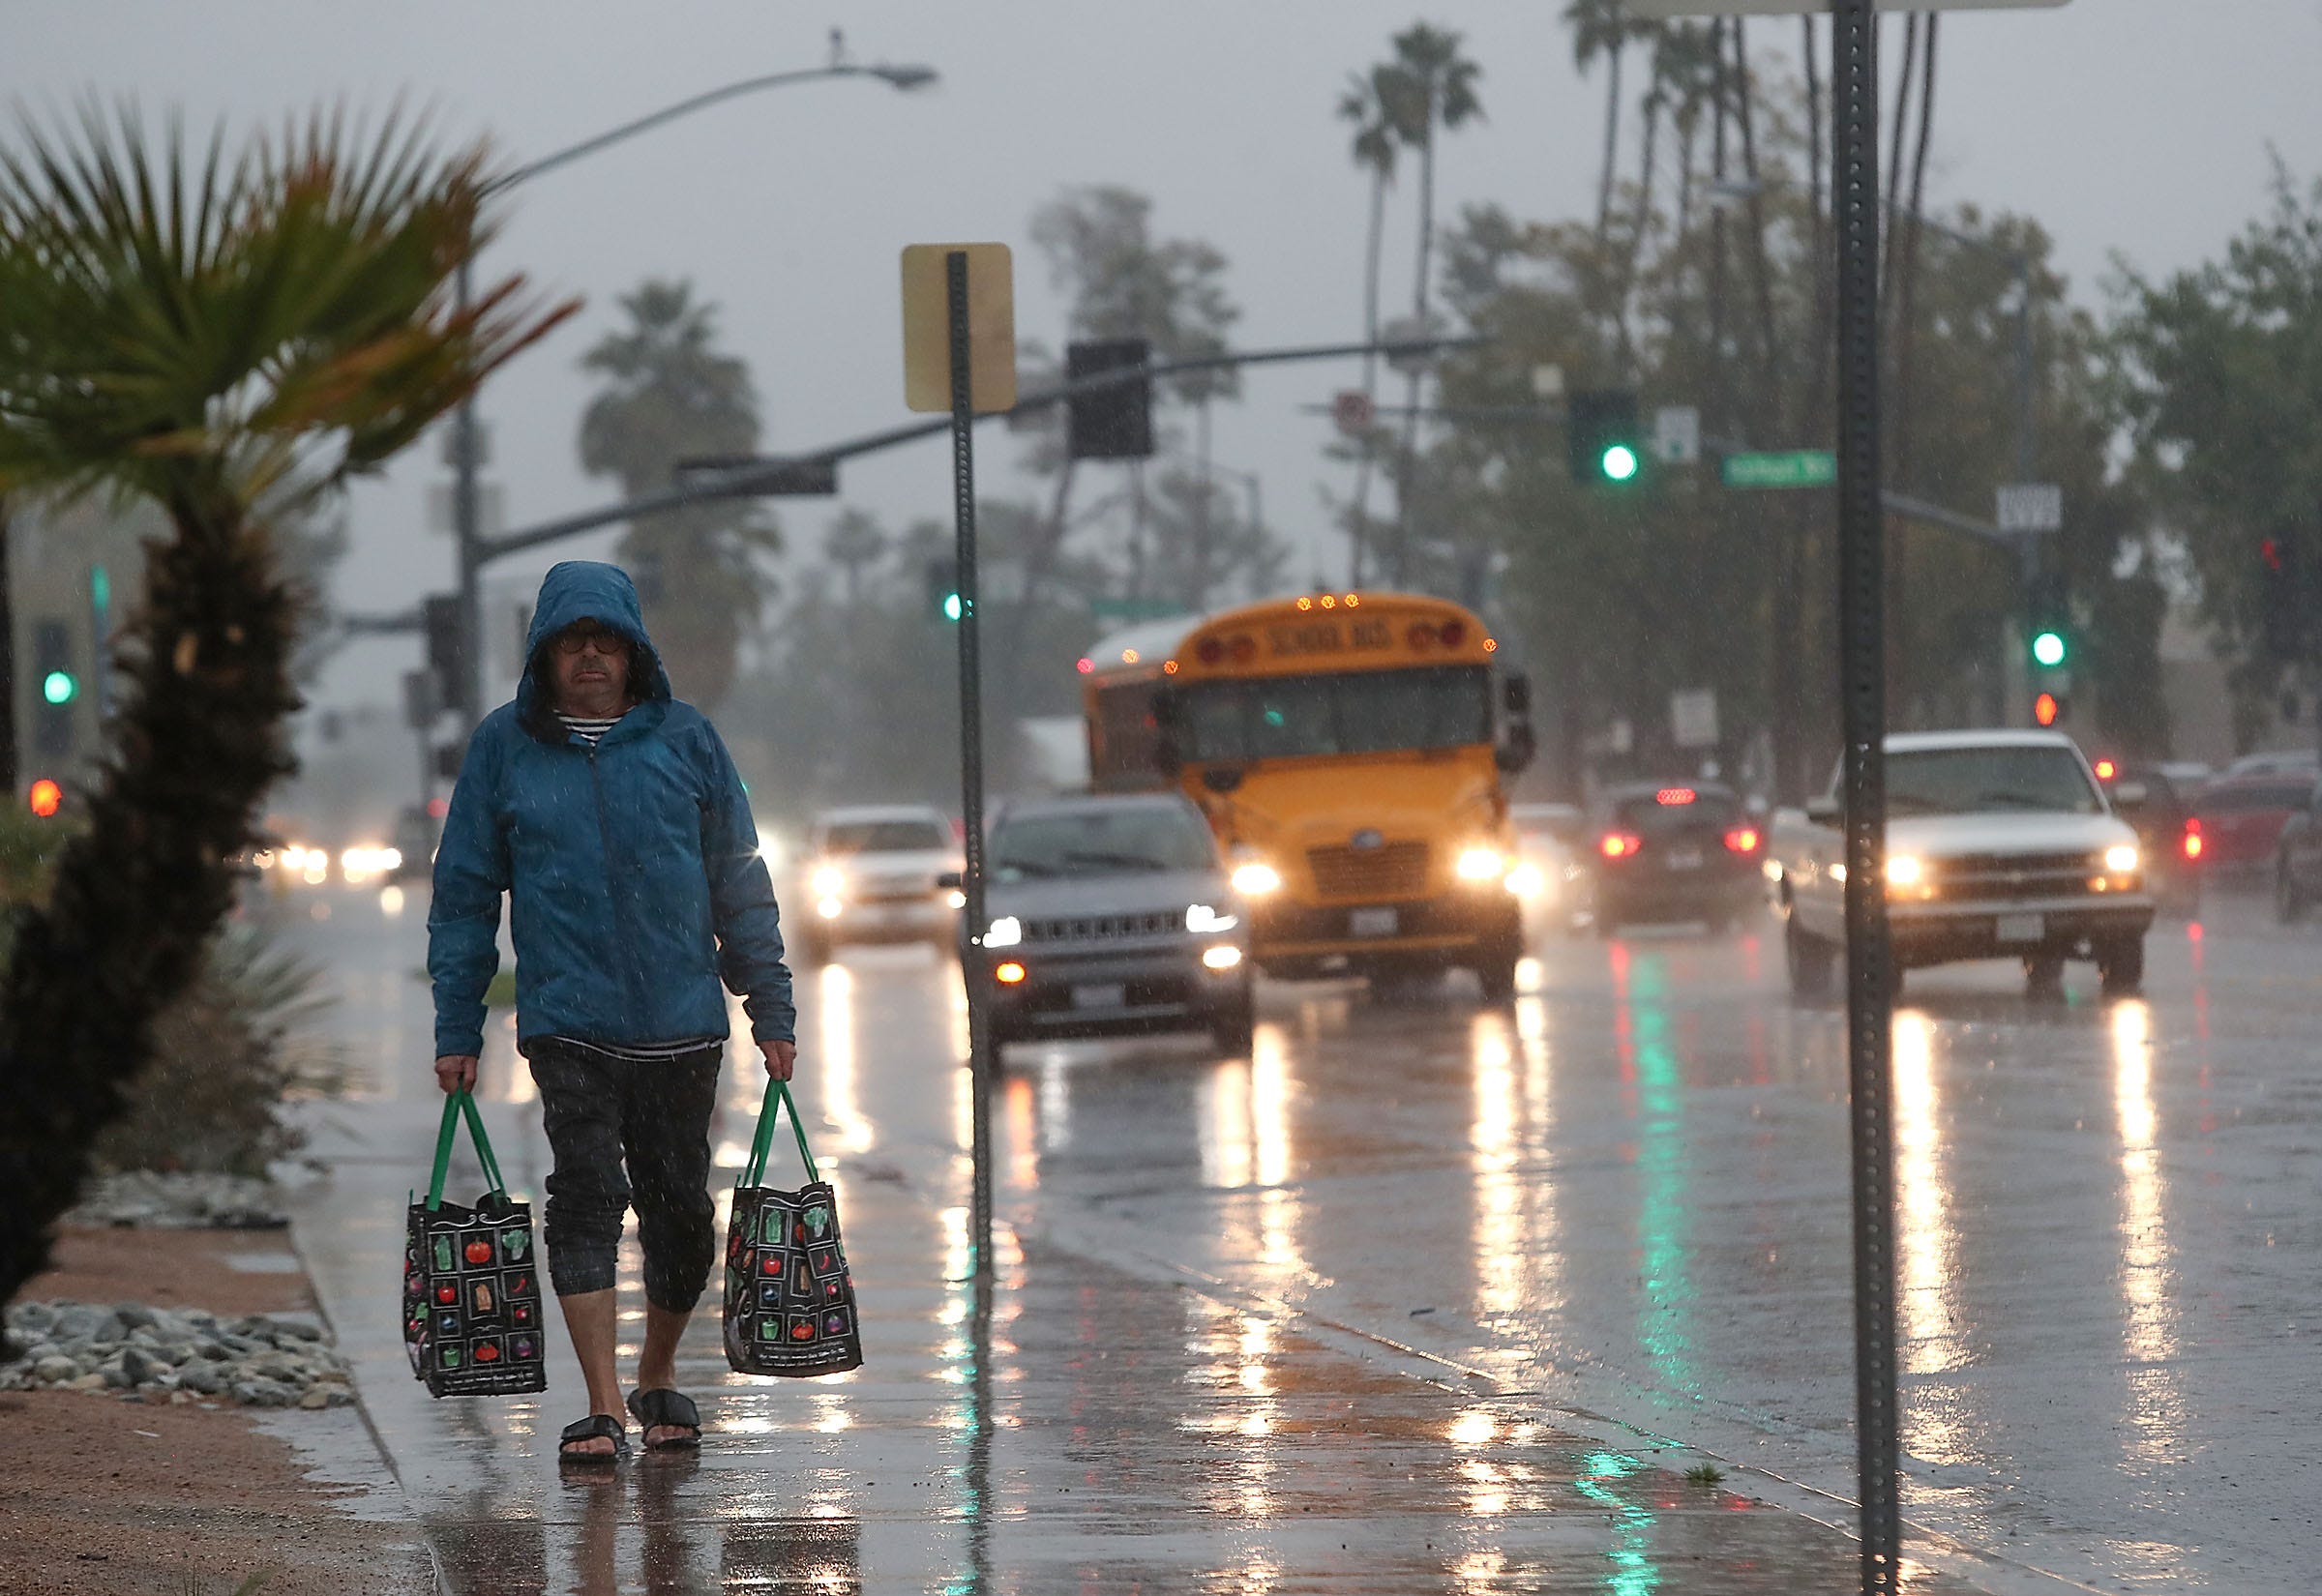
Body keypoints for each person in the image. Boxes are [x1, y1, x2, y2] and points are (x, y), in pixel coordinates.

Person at [428, 560, 795, 1463]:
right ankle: (600, 1403)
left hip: (684, 1023)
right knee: (585, 1197)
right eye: (571, 641)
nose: (590, 655)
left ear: (634, 655)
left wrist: (770, 1003)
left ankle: (658, 1368)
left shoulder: (688, 741)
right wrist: (456, 1026)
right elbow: (465, 897)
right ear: (545, 656)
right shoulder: (503, 751)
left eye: (607, 641)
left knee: (681, 1214)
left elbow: (739, 882)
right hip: (568, 1024)